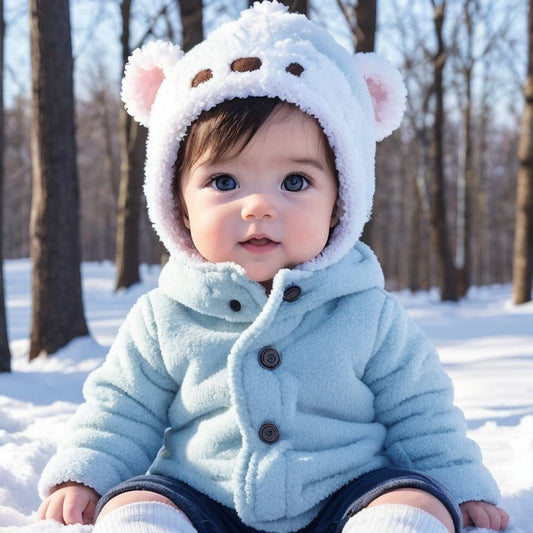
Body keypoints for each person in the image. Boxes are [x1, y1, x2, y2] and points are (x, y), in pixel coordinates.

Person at [37, 2, 509, 532]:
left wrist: (461, 484)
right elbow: (122, 408)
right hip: (202, 493)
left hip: (347, 491)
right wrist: (86, 474)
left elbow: (421, 412)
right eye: (224, 182)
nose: (257, 206)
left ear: (340, 202)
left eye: (294, 182)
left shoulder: (368, 314)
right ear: (177, 204)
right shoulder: (164, 317)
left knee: (416, 505)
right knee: (135, 507)